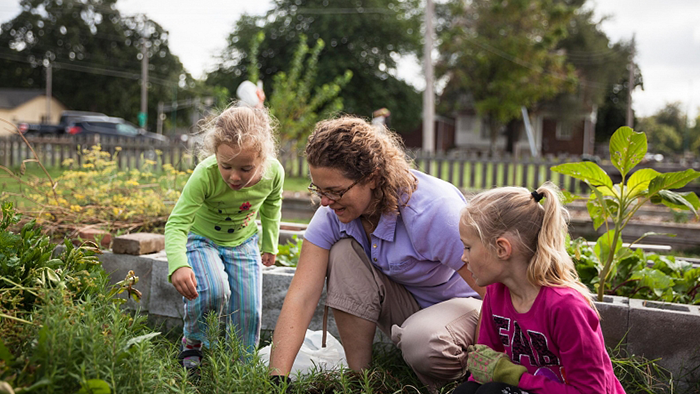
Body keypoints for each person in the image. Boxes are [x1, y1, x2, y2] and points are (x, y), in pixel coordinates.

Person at [268, 116, 484, 392]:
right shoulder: (334, 213)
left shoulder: (434, 211)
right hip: (412, 311)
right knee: (343, 253)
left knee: (425, 341)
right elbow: (301, 296)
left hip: (465, 309)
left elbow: (493, 290)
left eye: (334, 191)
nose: (324, 202)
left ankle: (461, 380)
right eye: (319, 190)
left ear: (371, 178)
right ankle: (362, 380)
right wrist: (277, 378)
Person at [453, 183, 625, 394]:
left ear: (501, 248)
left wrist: (515, 378)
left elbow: (591, 391)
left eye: (468, 247)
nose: (463, 257)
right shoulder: (496, 294)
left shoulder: (566, 307)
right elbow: (485, 368)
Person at [164, 104, 284, 371]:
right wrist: (178, 264)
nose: (234, 176)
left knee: (249, 309)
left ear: (263, 159)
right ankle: (194, 342)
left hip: (244, 242)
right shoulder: (205, 175)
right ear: (215, 154)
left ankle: (241, 361)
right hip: (202, 239)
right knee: (212, 292)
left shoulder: (273, 173)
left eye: (245, 168)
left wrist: (270, 243)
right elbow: (177, 223)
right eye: (226, 166)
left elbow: (272, 203)